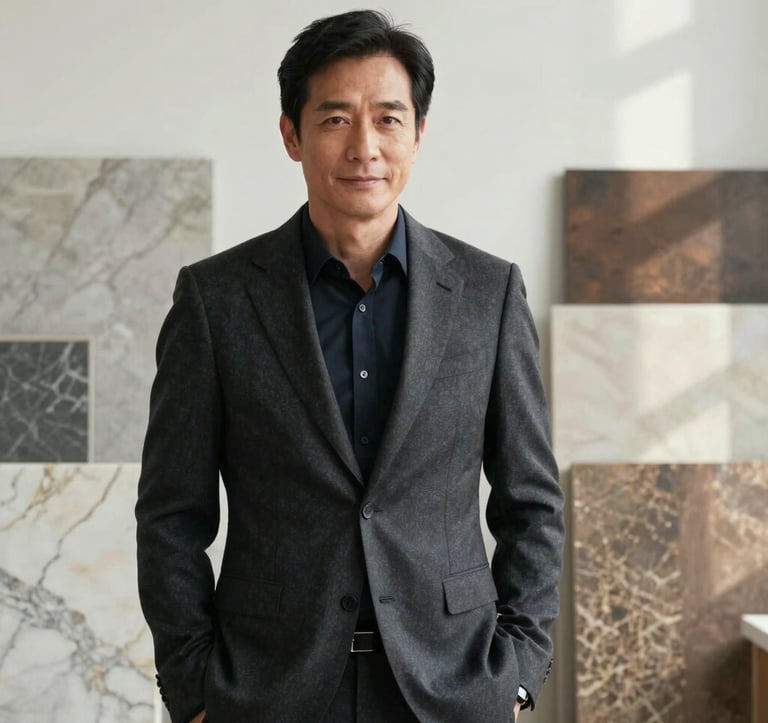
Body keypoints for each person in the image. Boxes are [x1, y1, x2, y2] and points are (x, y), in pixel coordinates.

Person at [136, 9, 564, 723]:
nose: (365, 145)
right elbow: (170, 513)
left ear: (418, 137)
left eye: (389, 119)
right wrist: (194, 689)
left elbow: (532, 501)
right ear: (291, 135)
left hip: (451, 685)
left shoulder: (489, 295)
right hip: (270, 688)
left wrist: (517, 673)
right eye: (336, 119)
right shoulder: (217, 301)